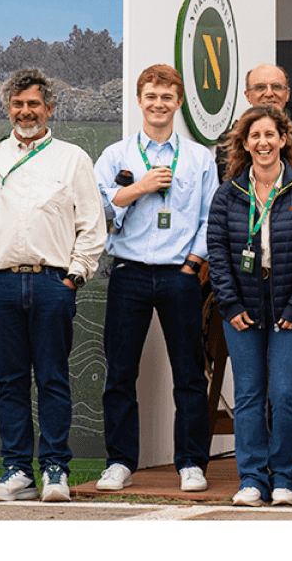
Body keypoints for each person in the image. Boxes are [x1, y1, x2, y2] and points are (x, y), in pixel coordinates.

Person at [0, 67, 106, 503]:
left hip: (52, 284)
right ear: (8, 108)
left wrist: (74, 276)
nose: (26, 111)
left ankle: (55, 469)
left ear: (49, 108)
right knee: (10, 381)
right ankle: (17, 471)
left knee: (53, 379)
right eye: (18, 104)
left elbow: (91, 225)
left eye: (34, 104)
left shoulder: (72, 158)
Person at [92, 64, 218, 494]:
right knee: (120, 372)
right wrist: (140, 187)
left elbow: (210, 217)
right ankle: (120, 462)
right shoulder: (117, 155)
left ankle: (191, 462)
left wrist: (192, 264)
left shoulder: (199, 158)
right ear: (139, 100)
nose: (158, 104)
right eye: (151, 96)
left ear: (178, 102)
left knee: (189, 373)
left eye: (166, 97)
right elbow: (98, 210)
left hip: (179, 274)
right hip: (128, 271)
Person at [206, 104, 292, 506]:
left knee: (287, 394)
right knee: (248, 395)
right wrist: (229, 304)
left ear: (283, 139)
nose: (263, 142)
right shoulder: (228, 194)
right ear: (244, 143)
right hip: (242, 307)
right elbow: (218, 256)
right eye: (254, 136)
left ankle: (286, 478)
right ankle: (252, 479)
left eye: (270, 135)